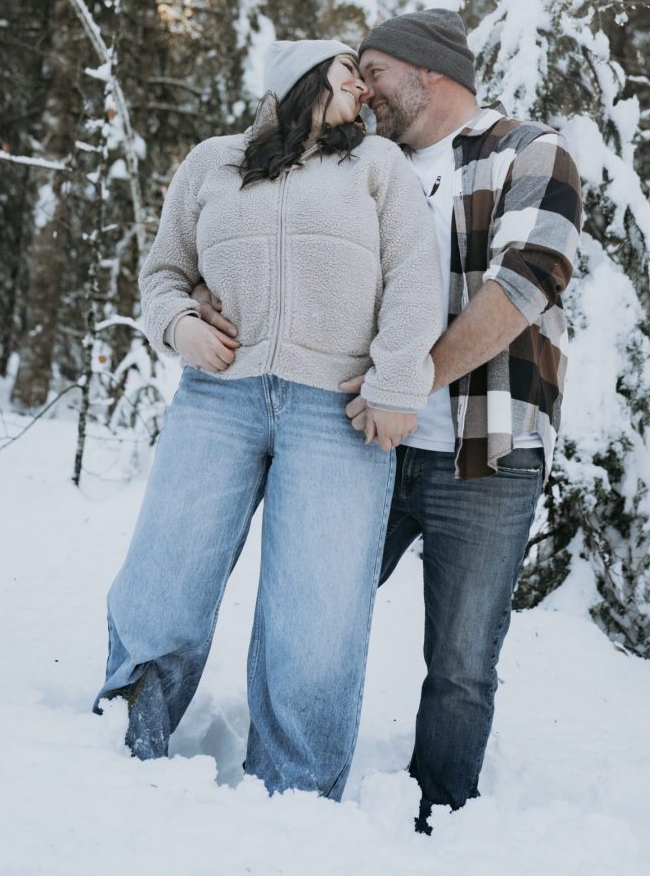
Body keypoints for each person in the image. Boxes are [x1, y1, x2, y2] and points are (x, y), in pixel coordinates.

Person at [193, 9, 582, 830]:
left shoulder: (527, 150)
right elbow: (266, 234)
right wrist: (203, 291)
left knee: (462, 660)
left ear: (428, 71)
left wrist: (410, 381)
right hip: (359, 437)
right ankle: (286, 790)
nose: (361, 87)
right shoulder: (368, 160)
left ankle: (438, 821)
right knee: (314, 608)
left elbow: (527, 283)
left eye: (372, 69)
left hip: (485, 448)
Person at [95, 39, 445, 802]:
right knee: (167, 574)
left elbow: (417, 279)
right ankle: (125, 738)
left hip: (336, 412)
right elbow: (162, 272)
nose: (360, 88)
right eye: (345, 73)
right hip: (219, 397)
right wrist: (180, 324)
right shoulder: (212, 163)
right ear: (298, 81)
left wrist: (395, 382)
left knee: (316, 611)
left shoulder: (379, 168)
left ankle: (295, 796)